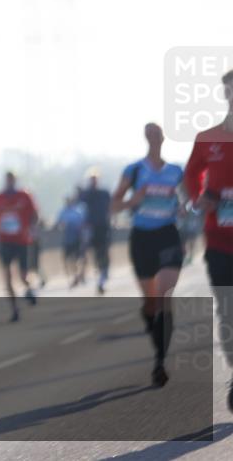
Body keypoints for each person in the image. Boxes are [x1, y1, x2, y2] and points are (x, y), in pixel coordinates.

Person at [110, 123, 185, 387]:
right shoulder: (134, 170)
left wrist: (185, 206)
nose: (154, 138)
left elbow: (189, 199)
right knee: (151, 302)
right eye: (150, 134)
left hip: (168, 235)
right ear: (145, 138)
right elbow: (113, 205)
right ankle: (151, 323)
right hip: (142, 238)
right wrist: (133, 201)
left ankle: (159, 361)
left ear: (163, 138)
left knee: (164, 295)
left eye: (158, 134)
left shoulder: (176, 171)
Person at [184, 69, 233, 410]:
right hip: (218, 240)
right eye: (230, 92)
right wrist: (197, 199)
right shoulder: (207, 137)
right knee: (228, 309)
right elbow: (190, 174)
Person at [0, 172, 39, 322]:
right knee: (7, 275)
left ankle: (29, 289)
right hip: (4, 240)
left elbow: (35, 215)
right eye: (7, 180)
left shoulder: (25, 196)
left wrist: (31, 228)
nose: (10, 182)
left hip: (22, 240)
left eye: (12, 180)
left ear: (15, 181)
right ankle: (14, 309)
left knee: (23, 276)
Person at [79, 169, 112, 294]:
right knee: (86, 251)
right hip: (90, 227)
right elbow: (79, 205)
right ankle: (83, 273)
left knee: (103, 252)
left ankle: (102, 278)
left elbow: (110, 208)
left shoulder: (104, 193)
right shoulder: (86, 194)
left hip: (103, 227)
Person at [55, 190, 88, 288]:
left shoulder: (78, 211)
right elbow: (58, 223)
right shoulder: (62, 212)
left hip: (77, 237)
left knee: (77, 258)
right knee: (67, 259)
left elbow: (84, 224)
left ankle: (78, 275)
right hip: (67, 237)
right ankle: (74, 275)